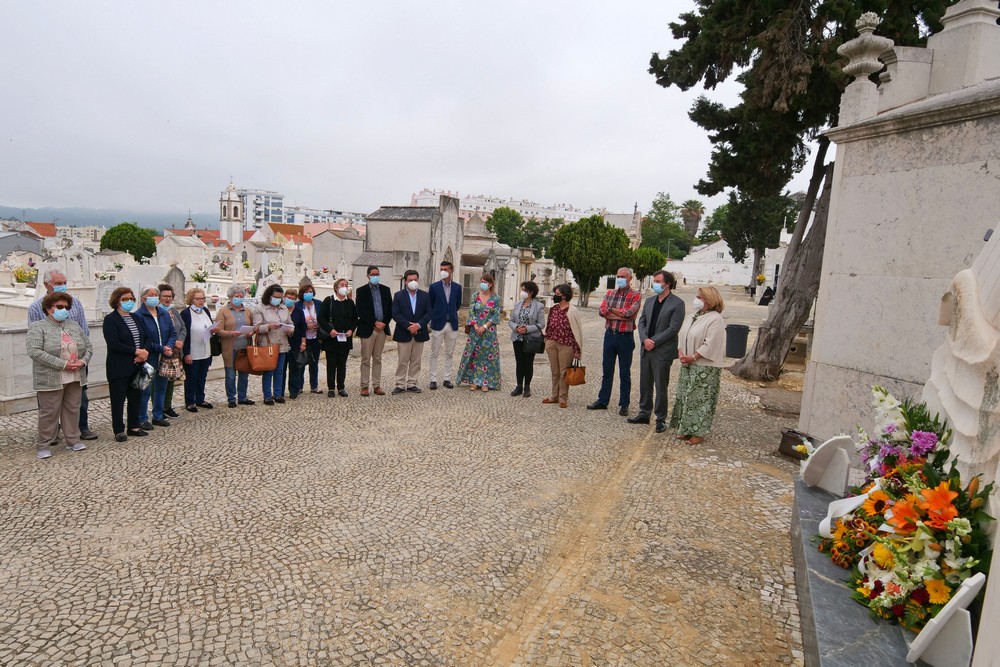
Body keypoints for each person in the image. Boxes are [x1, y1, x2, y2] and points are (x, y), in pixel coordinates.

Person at [27, 269, 97, 440]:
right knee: (50, 403)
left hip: (77, 362)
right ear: (46, 285)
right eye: (58, 283)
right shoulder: (36, 307)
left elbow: (83, 331)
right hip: (52, 365)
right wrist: (60, 361)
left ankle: (81, 427)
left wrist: (80, 358)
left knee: (79, 399)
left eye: (64, 282)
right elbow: (36, 339)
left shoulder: (76, 304)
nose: (62, 286)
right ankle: (51, 434)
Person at [627, 271, 685, 433]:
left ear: (667, 283)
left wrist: (655, 341)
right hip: (646, 348)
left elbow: (673, 328)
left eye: (658, 281)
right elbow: (642, 321)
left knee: (661, 385)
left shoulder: (677, 303)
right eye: (654, 281)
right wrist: (645, 339)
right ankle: (644, 413)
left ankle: (660, 418)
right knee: (645, 383)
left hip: (662, 350)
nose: (655, 284)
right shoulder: (650, 301)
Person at [671, 286, 727, 445]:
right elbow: (683, 335)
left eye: (700, 298)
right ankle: (685, 428)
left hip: (704, 366)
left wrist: (694, 356)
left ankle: (698, 431)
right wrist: (681, 352)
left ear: (709, 301)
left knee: (700, 400)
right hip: (687, 363)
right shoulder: (693, 315)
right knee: (686, 397)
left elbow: (711, 343)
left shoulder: (715, 319)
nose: (696, 300)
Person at [589, 267, 642, 416]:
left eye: (623, 276)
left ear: (630, 278)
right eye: (618, 276)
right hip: (610, 335)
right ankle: (603, 400)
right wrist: (619, 313)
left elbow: (629, 314)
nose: (620, 279)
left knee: (624, 372)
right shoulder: (610, 293)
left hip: (625, 337)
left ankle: (624, 403)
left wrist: (611, 311)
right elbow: (602, 312)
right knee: (607, 369)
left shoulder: (635, 295)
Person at [102, 287, 150, 441]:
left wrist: (143, 353)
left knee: (136, 396)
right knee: (118, 399)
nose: (129, 301)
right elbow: (113, 343)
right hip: (119, 366)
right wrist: (136, 351)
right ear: (116, 301)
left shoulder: (135, 317)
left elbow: (146, 337)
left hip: (138, 364)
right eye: (124, 299)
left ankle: (134, 426)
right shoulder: (111, 319)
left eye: (131, 299)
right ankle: (119, 430)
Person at [134, 285, 177, 430]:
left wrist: (169, 346)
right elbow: (143, 338)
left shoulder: (163, 314)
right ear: (143, 298)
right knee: (145, 389)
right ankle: (142, 418)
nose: (153, 297)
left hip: (164, 356)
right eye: (150, 294)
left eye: (155, 294)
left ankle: (158, 415)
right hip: (149, 356)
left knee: (161, 387)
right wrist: (161, 348)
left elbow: (172, 332)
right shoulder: (139, 315)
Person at [456, 273, 502, 391]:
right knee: (475, 355)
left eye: (485, 282)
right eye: (482, 281)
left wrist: (485, 326)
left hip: (489, 332)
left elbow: (496, 315)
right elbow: (471, 312)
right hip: (475, 330)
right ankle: (474, 381)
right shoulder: (475, 296)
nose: (483, 284)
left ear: (490, 284)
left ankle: (485, 382)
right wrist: (476, 326)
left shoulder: (496, 298)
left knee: (487, 356)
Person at [542, 283, 583, 409]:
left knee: (564, 372)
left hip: (566, 345)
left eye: (557, 294)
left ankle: (563, 398)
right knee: (555, 371)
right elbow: (549, 324)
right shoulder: (553, 309)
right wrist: (547, 339)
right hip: (552, 342)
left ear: (564, 296)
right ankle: (554, 396)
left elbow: (577, 331)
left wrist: (577, 350)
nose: (555, 296)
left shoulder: (573, 311)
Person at [354, 265, 392, 396]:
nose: (375, 276)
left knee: (377, 358)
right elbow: (360, 310)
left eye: (377, 274)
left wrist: (384, 323)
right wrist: (374, 322)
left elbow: (389, 309)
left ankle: (377, 385)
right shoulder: (361, 291)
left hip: (382, 329)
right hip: (368, 328)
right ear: (368, 275)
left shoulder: (386, 290)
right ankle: (364, 386)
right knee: (365, 359)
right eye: (373, 274)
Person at [391, 270, 431, 394]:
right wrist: (409, 326)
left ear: (418, 280)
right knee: (403, 360)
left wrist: (418, 325)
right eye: (410, 280)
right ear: (405, 281)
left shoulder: (425, 295)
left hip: (420, 332)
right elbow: (395, 314)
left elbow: (429, 312)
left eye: (415, 279)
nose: (413, 282)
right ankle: (400, 384)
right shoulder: (398, 295)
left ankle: (412, 382)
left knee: (416, 360)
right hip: (404, 332)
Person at [216, 284, 256, 408]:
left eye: (241, 296)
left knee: (244, 373)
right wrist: (230, 333)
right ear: (230, 297)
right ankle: (231, 398)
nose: (239, 298)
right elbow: (218, 330)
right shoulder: (223, 311)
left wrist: (251, 332)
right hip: (230, 347)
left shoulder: (248, 311)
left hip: (244, 346)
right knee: (231, 374)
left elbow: (254, 326)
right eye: (236, 296)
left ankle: (242, 397)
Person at [252, 284, 293, 405]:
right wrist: (269, 326)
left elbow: (290, 323)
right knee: (269, 370)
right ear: (269, 296)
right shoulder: (260, 308)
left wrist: (290, 330)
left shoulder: (284, 308)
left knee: (280, 371)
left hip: (282, 343)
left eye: (280, 297)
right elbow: (256, 327)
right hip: (268, 344)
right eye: (276, 297)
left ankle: (278, 394)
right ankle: (267, 396)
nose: (278, 299)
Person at [319, 278, 358, 397]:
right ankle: (331, 388)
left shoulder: (350, 302)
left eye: (346, 285)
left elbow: (354, 319)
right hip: (332, 338)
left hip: (345, 338)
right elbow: (321, 318)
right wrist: (330, 330)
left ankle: (341, 386)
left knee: (342, 363)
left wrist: (351, 329)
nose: (344, 287)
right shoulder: (329, 301)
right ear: (336, 287)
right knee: (331, 363)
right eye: (342, 285)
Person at [427, 260, 462, 390]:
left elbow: (457, 304)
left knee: (449, 353)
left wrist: (451, 314)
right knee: (434, 353)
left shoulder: (457, 287)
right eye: (441, 269)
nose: (443, 271)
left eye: (445, 269)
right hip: (437, 323)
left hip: (451, 323)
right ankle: (433, 379)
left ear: (451, 270)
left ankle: (447, 378)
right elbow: (430, 304)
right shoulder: (434, 287)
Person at [508, 280, 546, 398]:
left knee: (528, 363)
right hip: (517, 337)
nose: (522, 292)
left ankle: (527, 386)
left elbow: (541, 324)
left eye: (525, 290)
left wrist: (527, 329)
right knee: (519, 362)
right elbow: (511, 321)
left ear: (531, 292)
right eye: (522, 290)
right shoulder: (517, 304)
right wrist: (516, 328)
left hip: (530, 339)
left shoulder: (539, 306)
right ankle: (519, 386)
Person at [180, 287, 215, 412]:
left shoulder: (205, 310)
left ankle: (200, 398)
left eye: (203, 298)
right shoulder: (186, 313)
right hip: (193, 351)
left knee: (202, 377)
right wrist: (186, 353)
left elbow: (209, 326)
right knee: (191, 377)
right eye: (198, 299)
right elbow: (184, 334)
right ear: (191, 299)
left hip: (205, 349)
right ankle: (190, 401)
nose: (201, 301)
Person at [157, 283, 186, 419]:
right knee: (160, 381)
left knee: (171, 379)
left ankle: (167, 406)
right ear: (159, 297)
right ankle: (159, 408)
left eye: (169, 296)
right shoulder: (157, 312)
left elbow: (182, 328)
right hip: (164, 351)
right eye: (164, 296)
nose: (167, 299)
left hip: (176, 352)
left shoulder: (174, 311)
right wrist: (172, 343)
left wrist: (180, 340)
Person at [289, 283, 322, 398]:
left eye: (310, 291)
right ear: (302, 294)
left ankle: (314, 386)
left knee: (314, 362)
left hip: (316, 338)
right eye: (306, 292)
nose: (309, 294)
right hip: (303, 338)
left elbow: (323, 317)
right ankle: (299, 386)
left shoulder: (318, 304)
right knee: (301, 362)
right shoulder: (298, 305)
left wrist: (318, 324)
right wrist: (306, 326)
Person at [280, 287, 298, 398]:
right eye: (288, 298)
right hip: (282, 342)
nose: (290, 300)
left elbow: (301, 328)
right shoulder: (280, 310)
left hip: (295, 342)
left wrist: (303, 342)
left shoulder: (298, 311)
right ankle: (279, 391)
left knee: (294, 368)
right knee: (281, 369)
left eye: (292, 298)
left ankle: (293, 391)